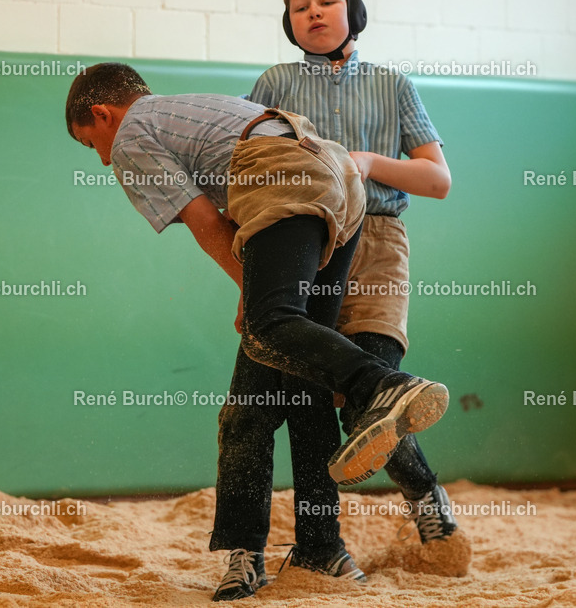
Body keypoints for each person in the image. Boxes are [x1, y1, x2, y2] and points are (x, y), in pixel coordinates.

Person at [64, 63, 450, 600]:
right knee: (302, 378)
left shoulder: (131, 133)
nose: (103, 158)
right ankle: (323, 549)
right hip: (342, 180)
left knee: (267, 340)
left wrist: (254, 295)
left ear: (103, 115)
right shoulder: (195, 106)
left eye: (91, 143)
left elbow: (208, 223)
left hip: (283, 178)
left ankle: (382, 386)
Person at [250, 0, 461, 547]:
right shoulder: (272, 84)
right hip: (304, 244)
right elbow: (248, 168)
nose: (314, 12)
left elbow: (437, 178)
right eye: (300, 7)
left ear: (353, 11)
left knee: (375, 392)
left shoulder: (394, 84)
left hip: (377, 240)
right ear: (289, 23)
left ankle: (425, 497)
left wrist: (365, 162)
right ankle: (321, 545)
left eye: (326, 1)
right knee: (312, 400)